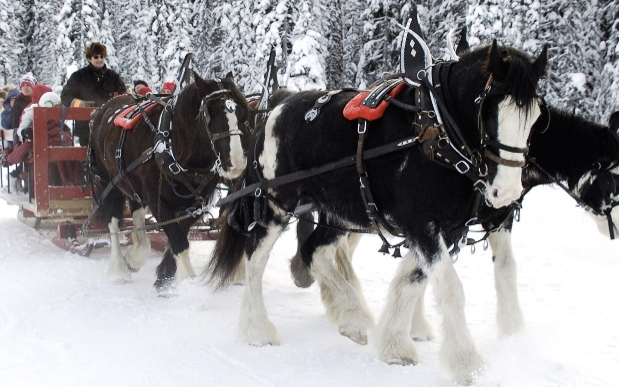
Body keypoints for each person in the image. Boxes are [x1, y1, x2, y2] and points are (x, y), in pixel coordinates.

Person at [61, 42, 126, 146]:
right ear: (89, 58)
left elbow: (123, 94)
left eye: (102, 56)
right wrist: (81, 104)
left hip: (108, 126)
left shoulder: (112, 76)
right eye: (96, 57)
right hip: (85, 127)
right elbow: (65, 96)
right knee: (87, 157)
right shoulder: (79, 77)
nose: (100, 59)